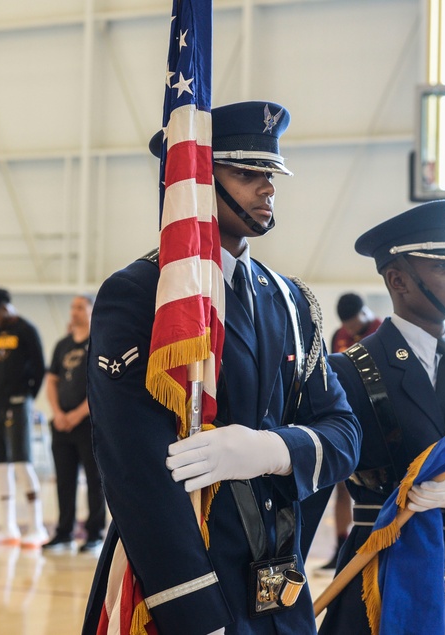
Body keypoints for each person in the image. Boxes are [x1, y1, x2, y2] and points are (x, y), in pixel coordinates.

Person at [81, 101, 360, 635]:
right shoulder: (141, 295)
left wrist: (272, 449)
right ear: (193, 181)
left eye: (270, 173)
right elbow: (135, 469)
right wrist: (194, 611)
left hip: (279, 584)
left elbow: (343, 434)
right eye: (246, 172)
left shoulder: (290, 300)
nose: (267, 187)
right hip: (185, 583)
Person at [318, 200, 445, 635]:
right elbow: (308, 491)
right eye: (443, 264)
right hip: (380, 578)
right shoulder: (348, 371)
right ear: (398, 280)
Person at [0, 286, 49, 547]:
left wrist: (28, 395)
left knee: (22, 461)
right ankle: (8, 526)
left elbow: (40, 366)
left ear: (5, 308)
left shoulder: (26, 330)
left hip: (20, 402)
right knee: (2, 464)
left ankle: (36, 525)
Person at [317, 292, 382, 571]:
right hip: (347, 421)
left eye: (354, 325)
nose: (351, 331)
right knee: (341, 487)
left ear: (364, 314)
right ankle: (341, 547)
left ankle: (377, 547)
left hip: (377, 424)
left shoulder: (381, 331)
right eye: (347, 327)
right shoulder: (339, 336)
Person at [42, 294, 106, 554]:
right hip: (61, 423)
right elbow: (51, 381)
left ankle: (94, 534)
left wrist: (78, 414)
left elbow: (101, 386)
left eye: (80, 307)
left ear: (91, 310)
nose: (74, 311)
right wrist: (57, 412)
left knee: (94, 481)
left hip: (88, 424)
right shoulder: (63, 345)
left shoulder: (99, 343)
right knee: (64, 481)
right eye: (73, 307)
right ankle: (64, 532)